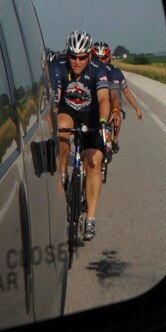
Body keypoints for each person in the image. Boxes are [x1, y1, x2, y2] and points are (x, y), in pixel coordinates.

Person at [56, 30, 111, 241]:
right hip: (69, 113)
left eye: (81, 57)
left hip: (92, 117)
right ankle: (62, 175)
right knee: (61, 127)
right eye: (73, 56)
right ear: (67, 54)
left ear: (89, 55)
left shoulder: (99, 70)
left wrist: (104, 123)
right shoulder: (59, 66)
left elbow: (104, 98)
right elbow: (55, 98)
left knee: (94, 163)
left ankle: (90, 219)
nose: (77, 62)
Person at [92, 41, 142, 151]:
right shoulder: (88, 70)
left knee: (116, 114)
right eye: (97, 58)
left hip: (111, 101)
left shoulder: (114, 72)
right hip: (94, 102)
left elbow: (126, 92)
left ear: (108, 57)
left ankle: (115, 139)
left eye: (103, 57)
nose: (100, 61)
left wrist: (137, 108)